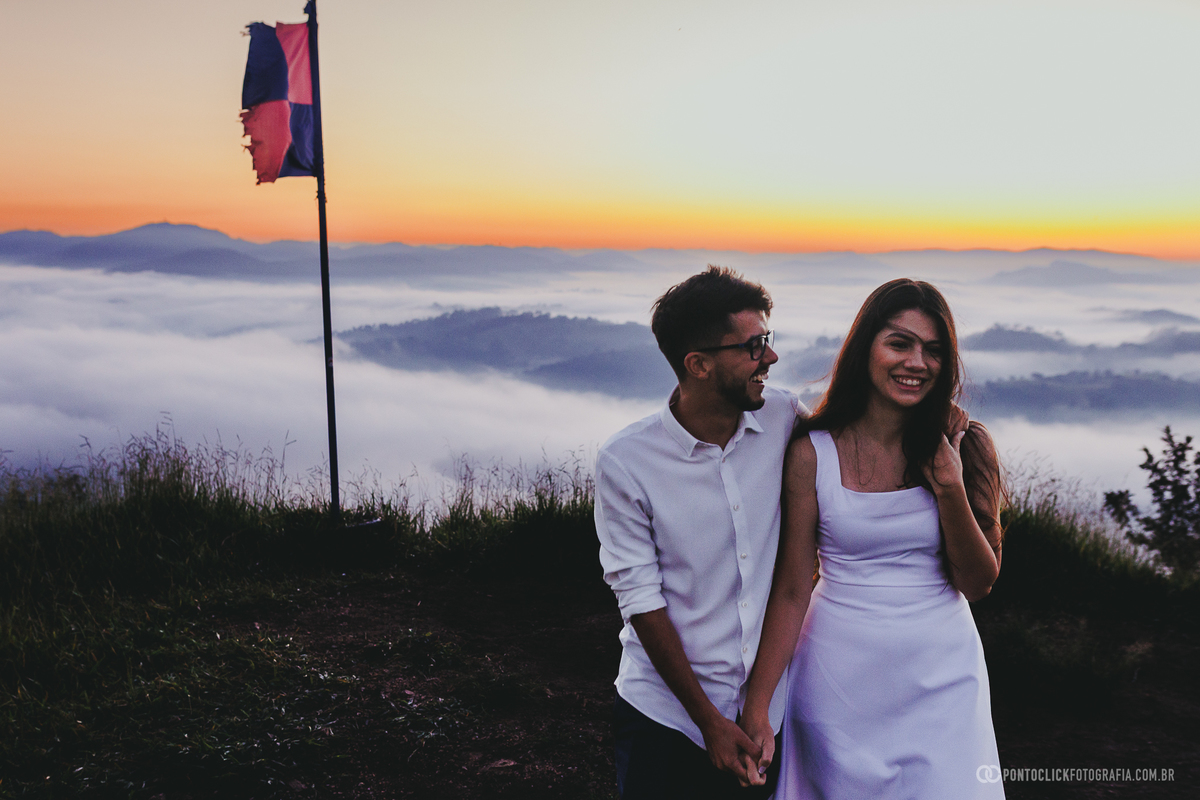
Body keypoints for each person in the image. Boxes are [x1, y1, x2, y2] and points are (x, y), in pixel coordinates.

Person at [738, 278, 1005, 798]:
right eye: (899, 343)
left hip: (943, 678)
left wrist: (949, 485)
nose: (916, 362)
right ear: (866, 349)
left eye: (932, 350)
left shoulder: (964, 444)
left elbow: (978, 583)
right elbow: (793, 589)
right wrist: (759, 706)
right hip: (838, 681)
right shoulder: (811, 452)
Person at [594, 266, 805, 799]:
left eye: (768, 340)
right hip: (663, 718)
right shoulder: (626, 462)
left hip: (767, 715)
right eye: (754, 346)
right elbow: (641, 599)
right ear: (699, 364)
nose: (771, 358)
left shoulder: (784, 419)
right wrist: (709, 721)